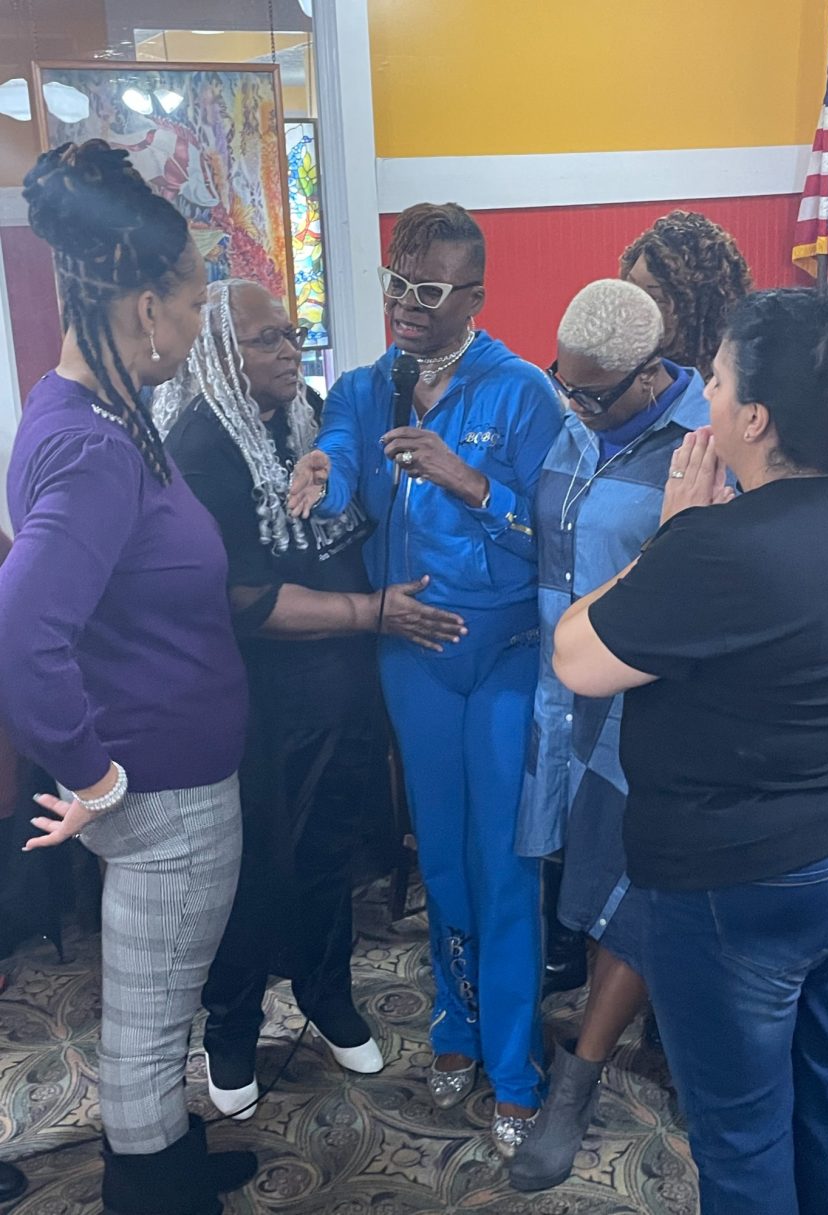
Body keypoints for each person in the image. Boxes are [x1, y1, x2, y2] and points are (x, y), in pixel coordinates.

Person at [552, 284, 828, 1215]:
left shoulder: (717, 546)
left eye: (713, 380)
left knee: (741, 1125)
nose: (701, 397)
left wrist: (672, 533)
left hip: (741, 877)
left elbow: (575, 656)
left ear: (754, 417)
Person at [0, 141, 255, 1215]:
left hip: (155, 775)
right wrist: (93, 772)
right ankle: (151, 1189)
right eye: (193, 306)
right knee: (151, 1021)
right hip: (162, 794)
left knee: (154, 1000)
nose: (198, 330)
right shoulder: (99, 448)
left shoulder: (85, 410)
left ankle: (166, 1159)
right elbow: (23, 631)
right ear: (146, 306)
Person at [289, 202, 563, 1154]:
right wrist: (322, 469)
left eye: (429, 290)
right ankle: (456, 1025)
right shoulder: (367, 388)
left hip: (505, 654)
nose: (406, 304)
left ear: (474, 295)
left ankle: (516, 1065)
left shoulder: (523, 393)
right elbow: (340, 450)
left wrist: (469, 481)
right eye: (396, 284)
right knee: (440, 856)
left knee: (503, 864)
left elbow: (558, 538)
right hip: (411, 654)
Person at [155, 278, 466, 1118]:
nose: (290, 349)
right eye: (268, 338)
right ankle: (232, 1026)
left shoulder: (308, 418)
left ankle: (327, 994)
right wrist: (371, 612)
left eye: (293, 332)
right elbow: (241, 599)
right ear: (221, 352)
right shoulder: (199, 448)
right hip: (256, 708)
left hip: (342, 694)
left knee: (330, 856)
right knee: (252, 871)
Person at [509, 278, 718, 1191]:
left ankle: (578, 1081)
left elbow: (710, 582)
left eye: (592, 393)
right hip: (565, 696)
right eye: (565, 383)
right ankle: (664, 1037)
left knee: (631, 892)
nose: (574, 405)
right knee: (593, 884)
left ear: (650, 373)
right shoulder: (574, 421)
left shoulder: (703, 442)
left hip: (649, 709)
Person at [620, 209, 752, 379]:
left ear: (697, 312)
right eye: (631, 287)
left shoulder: (729, 385)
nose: (633, 305)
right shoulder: (614, 366)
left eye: (655, 298)